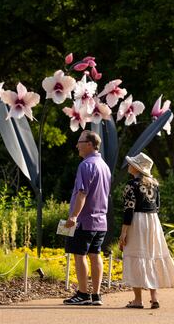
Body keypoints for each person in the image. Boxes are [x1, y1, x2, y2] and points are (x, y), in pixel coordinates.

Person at [119, 152, 174, 309]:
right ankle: (154, 298)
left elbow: (129, 210)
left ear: (136, 168)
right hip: (153, 221)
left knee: (135, 256)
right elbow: (158, 207)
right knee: (152, 256)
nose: (129, 165)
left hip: (137, 222)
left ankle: (138, 300)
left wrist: (123, 232)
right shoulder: (154, 184)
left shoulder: (131, 185)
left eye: (131, 164)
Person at [63, 130, 111, 306]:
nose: (77, 145)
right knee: (95, 254)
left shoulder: (85, 165)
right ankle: (96, 295)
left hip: (85, 220)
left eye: (80, 142)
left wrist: (74, 216)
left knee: (79, 255)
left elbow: (82, 193)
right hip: (101, 221)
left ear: (89, 144)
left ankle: (83, 294)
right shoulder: (104, 166)